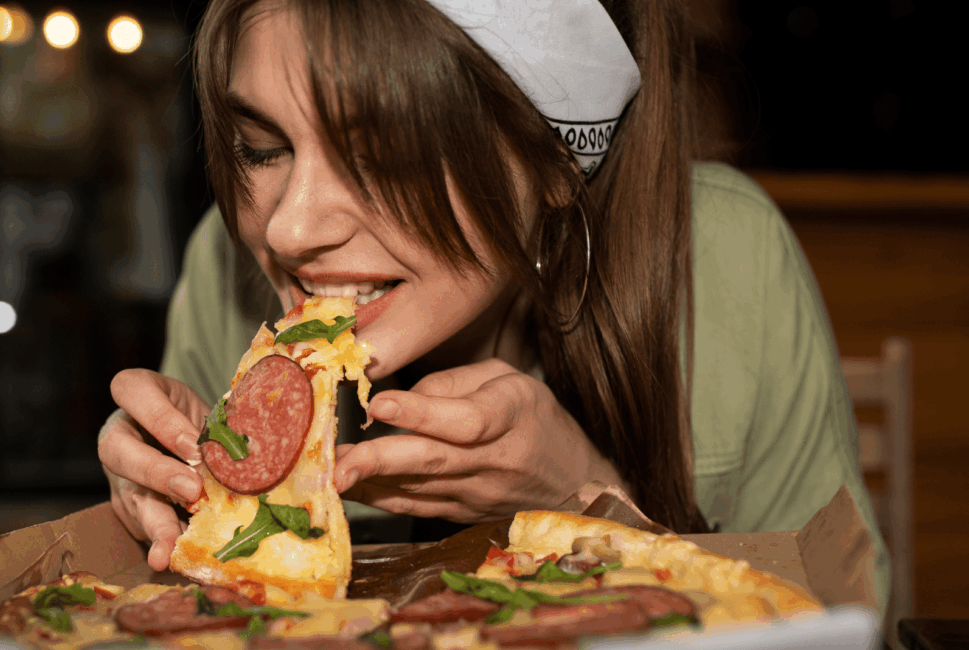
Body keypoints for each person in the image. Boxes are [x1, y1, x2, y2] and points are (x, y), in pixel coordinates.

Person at [97, 0, 890, 613]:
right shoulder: (220, 261)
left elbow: (840, 628)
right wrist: (168, 503)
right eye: (261, 148)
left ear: (551, 164)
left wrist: (582, 495)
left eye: (385, 153)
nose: (287, 225)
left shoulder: (728, 261)